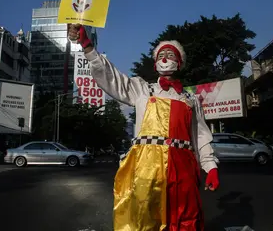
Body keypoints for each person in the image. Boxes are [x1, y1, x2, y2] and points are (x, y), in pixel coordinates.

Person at [68, 24, 220, 231]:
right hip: (146, 166)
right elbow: (111, 77)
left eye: (170, 54)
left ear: (180, 61)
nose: (165, 58)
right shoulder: (142, 90)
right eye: (161, 55)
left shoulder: (191, 99)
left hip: (183, 165)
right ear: (155, 62)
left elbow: (200, 136)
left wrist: (210, 167)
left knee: (185, 216)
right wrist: (87, 46)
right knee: (145, 217)